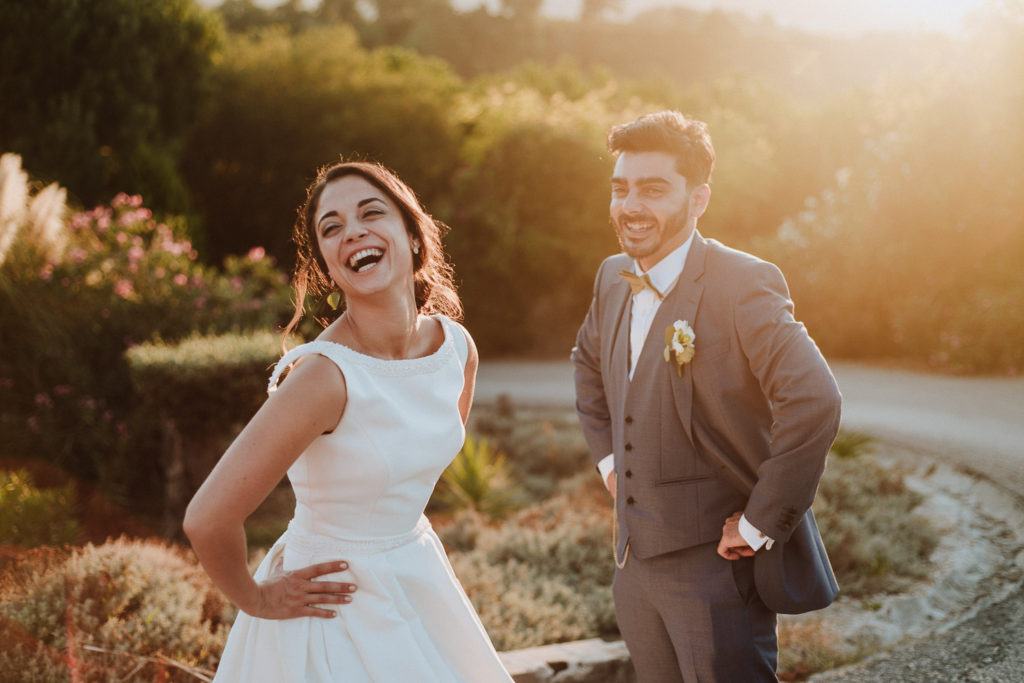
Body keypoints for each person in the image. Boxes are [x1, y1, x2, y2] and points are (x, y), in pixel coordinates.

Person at [184, 160, 512, 682]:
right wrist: (257, 599)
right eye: (331, 227)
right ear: (329, 269)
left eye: (370, 213)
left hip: (418, 577)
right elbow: (207, 519)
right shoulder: (323, 376)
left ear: (413, 235)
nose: (352, 232)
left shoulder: (455, 348)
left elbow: (415, 469)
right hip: (333, 605)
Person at [571, 111, 842, 681]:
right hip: (633, 566)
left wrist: (759, 522)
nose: (630, 206)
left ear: (698, 199)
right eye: (620, 189)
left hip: (717, 571)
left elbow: (814, 399)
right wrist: (611, 463)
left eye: (653, 190)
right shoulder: (612, 276)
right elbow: (588, 365)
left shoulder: (743, 283)